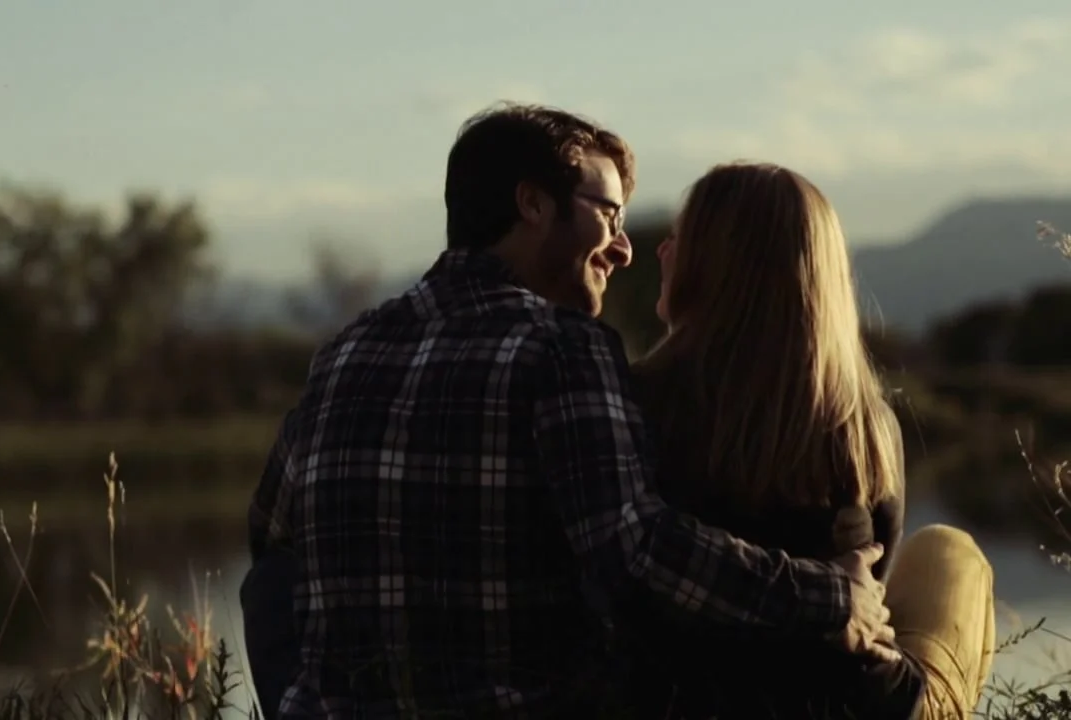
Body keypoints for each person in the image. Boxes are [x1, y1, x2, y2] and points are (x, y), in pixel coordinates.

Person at [243, 103, 898, 718]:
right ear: (532, 203)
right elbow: (636, 553)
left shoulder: (342, 354)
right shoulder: (560, 350)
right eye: (608, 215)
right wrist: (832, 596)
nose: (623, 247)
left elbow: (273, 549)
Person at [617, 161, 996, 718]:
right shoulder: (863, 424)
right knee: (950, 552)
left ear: (714, 270)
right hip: (848, 704)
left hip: (682, 699)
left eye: (680, 239)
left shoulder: (628, 403)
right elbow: (871, 593)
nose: (662, 253)